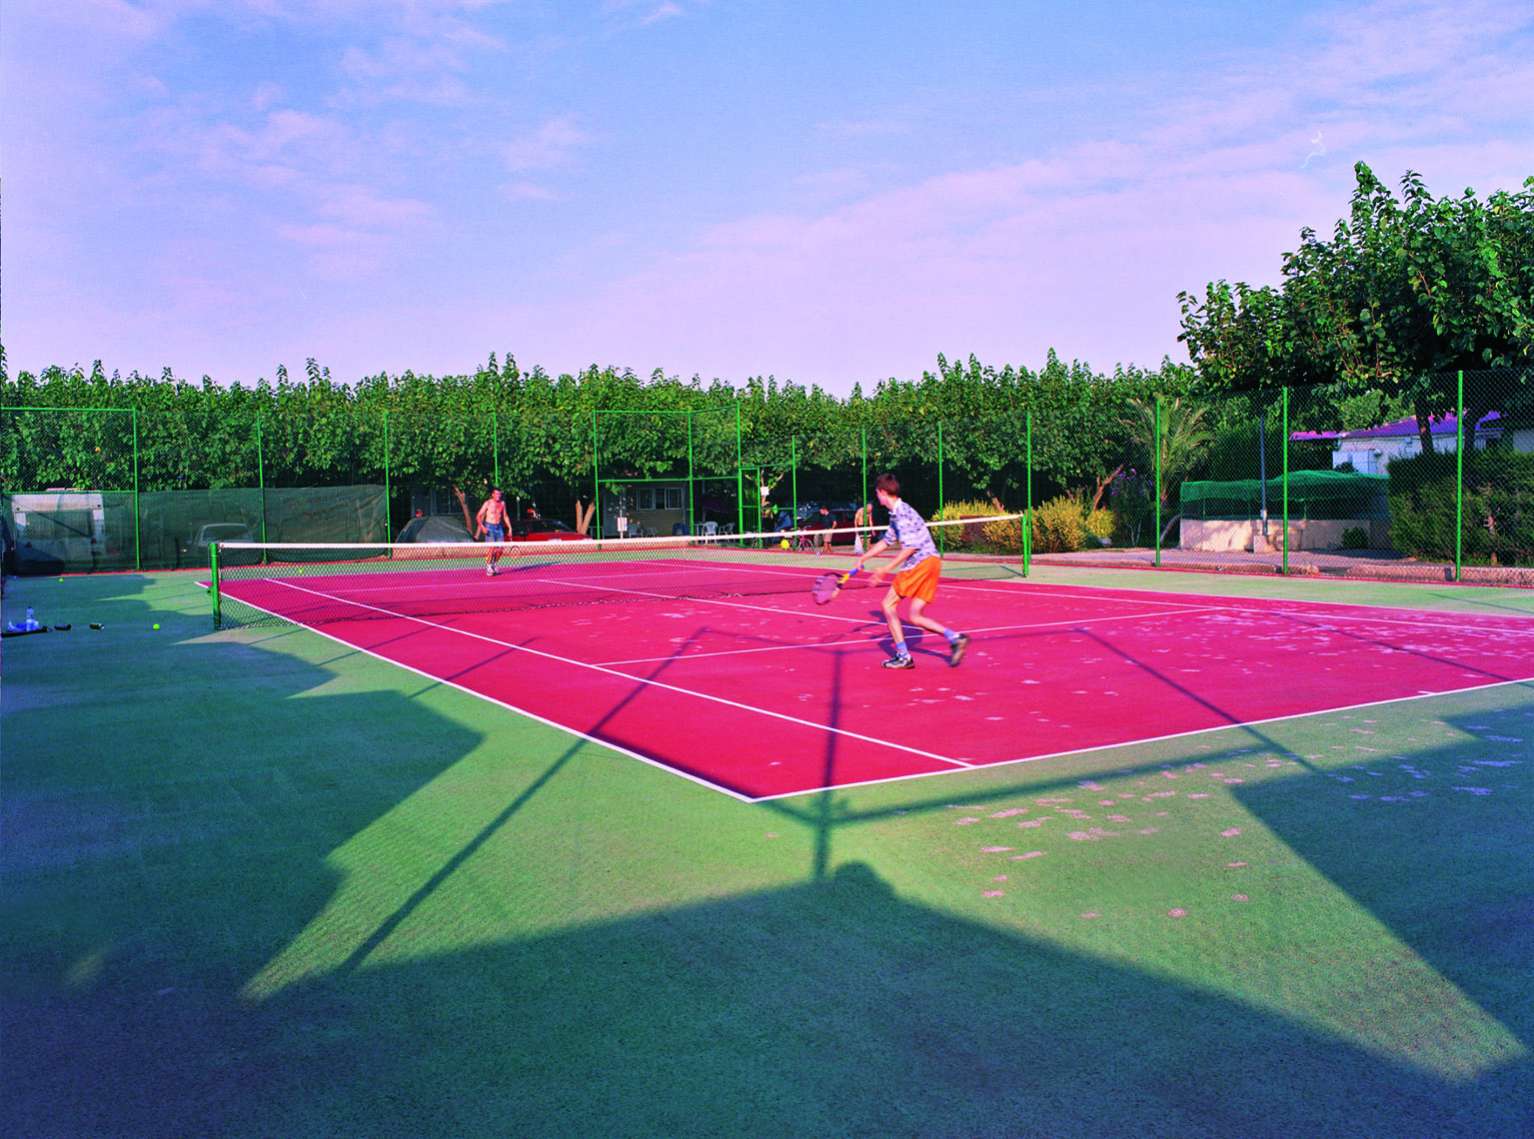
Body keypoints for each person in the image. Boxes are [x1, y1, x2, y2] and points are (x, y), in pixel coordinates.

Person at [854, 474, 969, 669]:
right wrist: (864, 557)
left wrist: (885, 569)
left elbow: (911, 547)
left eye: (877, 493)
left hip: (920, 563)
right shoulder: (896, 514)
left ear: (883, 492)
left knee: (887, 605)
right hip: (932, 562)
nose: (877, 497)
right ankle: (955, 638)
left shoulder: (902, 514)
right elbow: (887, 541)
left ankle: (903, 656)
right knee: (915, 616)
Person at [474, 487, 511, 576]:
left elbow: (505, 516)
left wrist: (510, 528)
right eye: (496, 494)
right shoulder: (487, 503)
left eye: (499, 494)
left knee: (500, 549)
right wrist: (482, 527)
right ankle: (488, 566)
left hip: (499, 527)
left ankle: (494, 564)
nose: (498, 495)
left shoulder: (502, 503)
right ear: (492, 494)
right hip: (489, 527)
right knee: (492, 548)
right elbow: (478, 516)